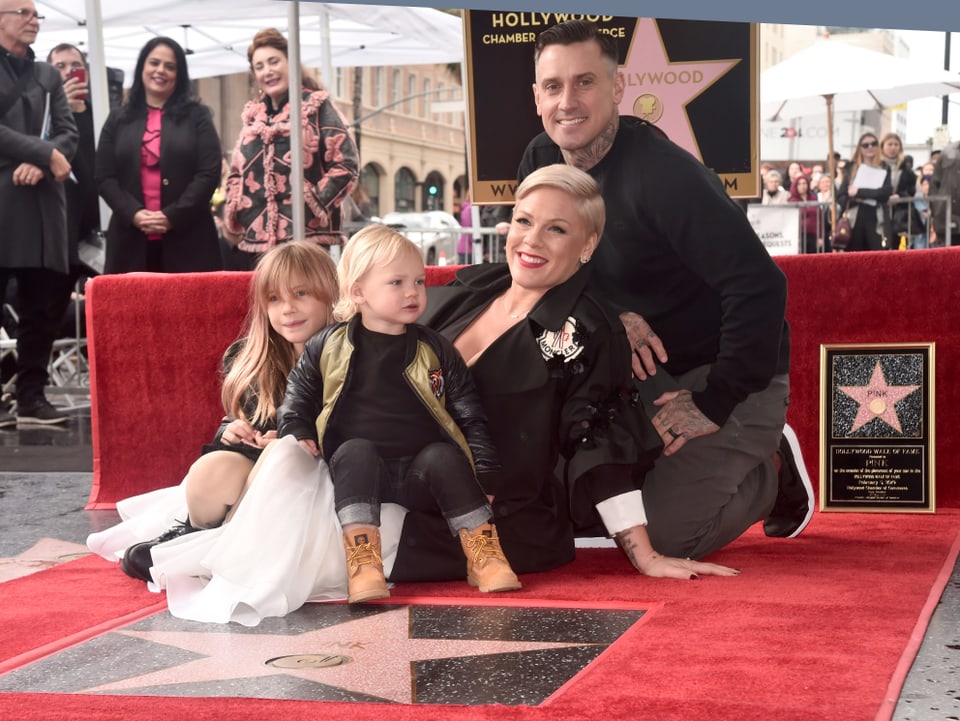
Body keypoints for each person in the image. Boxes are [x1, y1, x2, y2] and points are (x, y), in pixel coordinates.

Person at [517, 20, 812, 562]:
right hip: (633, 371)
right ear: (536, 95)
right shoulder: (540, 160)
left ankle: (771, 470)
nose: (568, 101)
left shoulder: (665, 175)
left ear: (618, 88)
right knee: (573, 505)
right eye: (553, 86)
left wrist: (717, 399)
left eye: (585, 82)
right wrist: (610, 314)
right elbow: (544, 274)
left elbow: (760, 285)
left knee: (669, 536)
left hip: (722, 372)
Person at [277, 224, 522, 603]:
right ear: (358, 292)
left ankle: (484, 553)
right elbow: (300, 391)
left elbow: (470, 414)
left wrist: (485, 471)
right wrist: (295, 424)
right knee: (356, 449)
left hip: (419, 476)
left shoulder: (436, 349)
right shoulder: (328, 344)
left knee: (443, 455)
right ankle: (364, 563)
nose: (413, 292)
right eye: (397, 283)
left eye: (419, 282)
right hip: (357, 474)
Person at [0, 0, 78, 426]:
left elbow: (69, 132)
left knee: (41, 304)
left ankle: (31, 395)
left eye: (37, 14)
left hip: (43, 202)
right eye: (24, 13)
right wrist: (44, 151)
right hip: (3, 199)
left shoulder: (47, 75)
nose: (34, 21)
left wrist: (48, 156)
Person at [222, 28, 359, 269]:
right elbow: (236, 171)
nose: (268, 71)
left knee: (306, 302)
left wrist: (311, 203)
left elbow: (346, 163)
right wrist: (237, 206)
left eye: (274, 61)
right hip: (257, 243)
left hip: (307, 240)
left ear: (291, 62)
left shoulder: (316, 106)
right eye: (260, 66)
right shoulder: (253, 117)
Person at [95, 37, 223, 273]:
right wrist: (133, 214)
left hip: (189, 240)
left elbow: (209, 172)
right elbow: (104, 176)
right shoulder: (118, 119)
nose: (160, 70)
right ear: (142, 67)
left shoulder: (198, 117)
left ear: (179, 74)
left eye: (170, 66)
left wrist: (172, 216)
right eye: (154, 63)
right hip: (129, 240)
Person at [836, 132, 893, 252]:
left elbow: (885, 193)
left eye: (873, 144)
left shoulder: (884, 167)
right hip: (854, 218)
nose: (870, 147)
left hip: (876, 218)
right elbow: (841, 196)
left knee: (876, 256)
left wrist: (859, 192)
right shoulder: (850, 167)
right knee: (854, 257)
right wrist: (856, 199)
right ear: (859, 148)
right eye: (865, 145)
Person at [880, 132, 923, 250]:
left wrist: (899, 196)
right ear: (883, 146)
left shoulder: (906, 168)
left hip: (899, 213)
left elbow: (911, 189)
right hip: (879, 211)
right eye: (890, 144)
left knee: (895, 245)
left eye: (896, 144)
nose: (893, 148)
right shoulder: (878, 165)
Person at [931, 139, 959, 247]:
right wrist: (936, 210)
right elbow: (934, 184)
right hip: (946, 220)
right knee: (947, 261)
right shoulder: (947, 152)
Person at [788, 174, 820, 254]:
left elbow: (819, 217)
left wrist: (820, 236)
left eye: (804, 183)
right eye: (799, 184)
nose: (802, 186)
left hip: (813, 234)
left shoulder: (814, 198)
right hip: (799, 235)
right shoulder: (792, 201)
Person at [457, 188, 473, 263]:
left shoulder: (468, 208)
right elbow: (469, 230)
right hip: (468, 250)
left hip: (468, 249)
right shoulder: (469, 209)